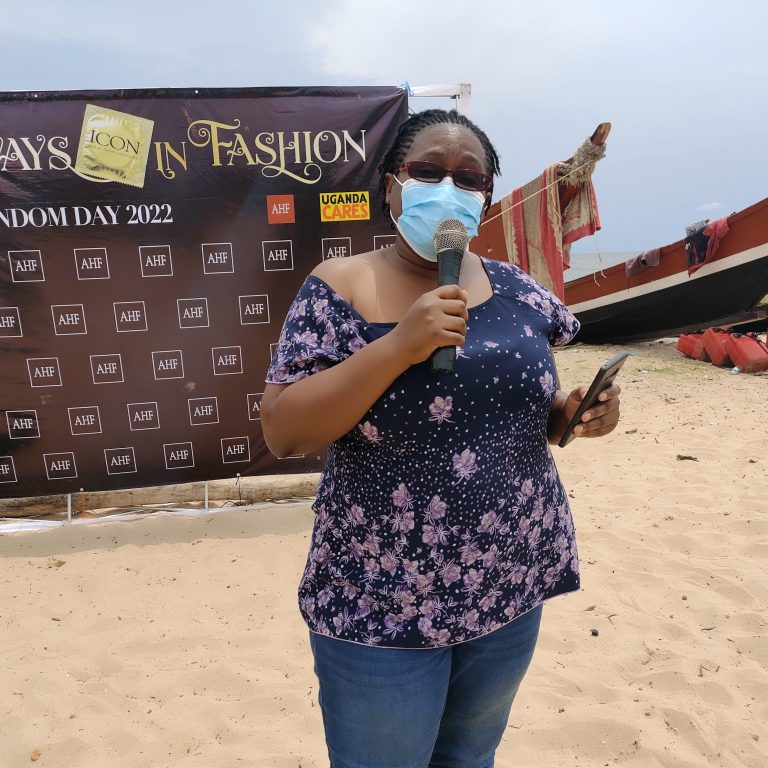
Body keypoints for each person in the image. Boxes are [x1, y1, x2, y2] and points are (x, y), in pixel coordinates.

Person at [261, 109, 621, 768]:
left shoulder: (515, 289)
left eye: (468, 178)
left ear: (484, 199)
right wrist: (400, 345)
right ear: (391, 185)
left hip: (509, 586)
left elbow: (524, 417)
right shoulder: (339, 287)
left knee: (468, 758)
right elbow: (284, 430)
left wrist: (576, 416)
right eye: (427, 171)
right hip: (383, 607)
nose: (447, 188)